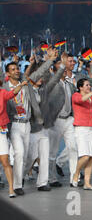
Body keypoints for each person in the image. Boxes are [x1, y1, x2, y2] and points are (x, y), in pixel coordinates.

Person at [2, 49, 57, 196]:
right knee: (19, 153)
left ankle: (19, 182)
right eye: (12, 69)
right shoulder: (5, 89)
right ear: (7, 74)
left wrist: (50, 60)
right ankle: (17, 185)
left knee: (25, 155)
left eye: (17, 68)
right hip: (13, 124)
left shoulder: (26, 83)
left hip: (27, 124)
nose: (16, 71)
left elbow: (39, 73)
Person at [25, 52, 67, 191]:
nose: (40, 78)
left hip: (44, 127)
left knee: (44, 155)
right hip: (32, 127)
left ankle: (42, 182)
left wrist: (62, 66)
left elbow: (54, 80)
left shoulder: (44, 90)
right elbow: (37, 72)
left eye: (41, 77)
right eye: (38, 76)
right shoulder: (27, 89)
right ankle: (18, 179)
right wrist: (49, 60)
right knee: (31, 157)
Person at [47, 53, 79, 187]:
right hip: (56, 120)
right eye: (62, 69)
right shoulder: (52, 83)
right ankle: (52, 178)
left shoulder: (69, 84)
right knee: (52, 151)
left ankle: (74, 178)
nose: (65, 71)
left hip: (69, 119)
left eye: (65, 69)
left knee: (73, 147)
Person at [71, 79, 92, 190]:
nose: (89, 87)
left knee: (91, 157)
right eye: (86, 85)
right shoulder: (76, 95)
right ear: (80, 87)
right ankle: (76, 173)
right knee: (85, 156)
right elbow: (81, 100)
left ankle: (87, 183)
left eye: (89, 85)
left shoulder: (91, 98)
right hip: (81, 129)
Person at [0, 79, 28, 198]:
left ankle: (11, 189)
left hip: (1, 130)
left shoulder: (2, 93)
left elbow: (12, 93)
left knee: (5, 160)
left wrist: (20, 85)